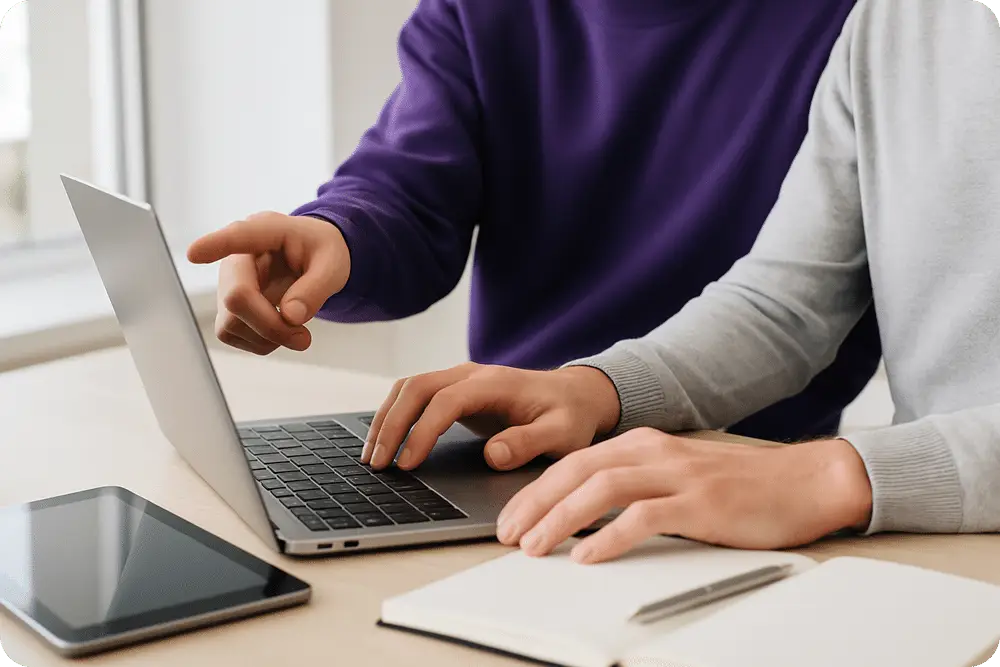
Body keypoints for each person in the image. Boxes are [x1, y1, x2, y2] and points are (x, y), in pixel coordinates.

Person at [361, 0, 1000, 563]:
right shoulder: (898, 15)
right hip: (934, 543)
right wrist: (597, 391)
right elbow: (785, 307)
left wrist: (840, 476)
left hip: (924, 520)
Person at [187, 0, 882, 444]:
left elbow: (805, 304)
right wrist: (334, 237)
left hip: (746, 468)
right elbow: (408, 192)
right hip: (514, 447)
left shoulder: (868, 25)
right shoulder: (480, 13)